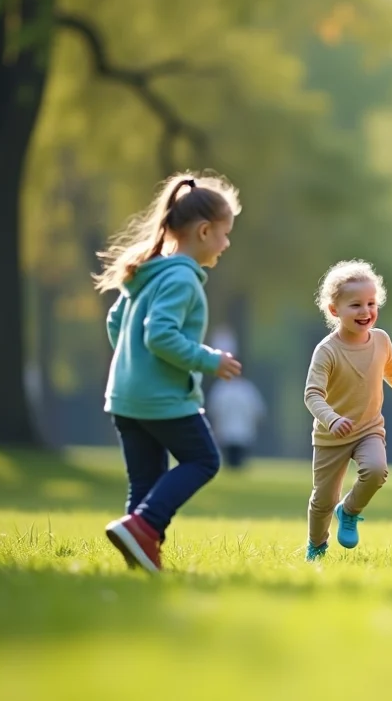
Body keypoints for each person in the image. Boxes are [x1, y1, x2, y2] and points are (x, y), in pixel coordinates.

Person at [95, 172, 243, 574]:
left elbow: (116, 323)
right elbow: (160, 335)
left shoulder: (147, 272)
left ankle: (139, 552)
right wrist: (208, 360)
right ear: (204, 231)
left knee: (145, 483)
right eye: (225, 234)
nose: (227, 243)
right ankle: (144, 528)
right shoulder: (182, 279)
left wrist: (133, 367)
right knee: (204, 460)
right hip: (161, 398)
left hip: (125, 396)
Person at [303, 260, 392, 561]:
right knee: (323, 500)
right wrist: (332, 419)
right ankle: (316, 546)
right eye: (355, 305)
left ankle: (349, 511)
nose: (365, 312)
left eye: (370, 303)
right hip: (331, 436)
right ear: (334, 310)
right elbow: (312, 395)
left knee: (376, 471)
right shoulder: (327, 351)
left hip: (368, 429)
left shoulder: (381, 341)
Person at [207, 375, 267, 470]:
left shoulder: (221, 388)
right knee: (238, 462)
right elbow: (257, 411)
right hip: (243, 433)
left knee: (230, 462)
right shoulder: (248, 389)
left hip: (226, 433)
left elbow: (214, 411)